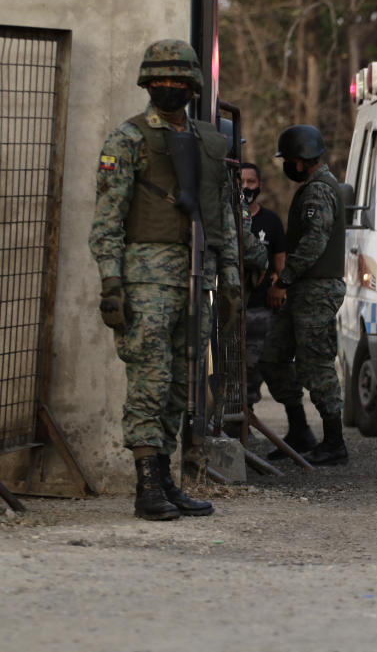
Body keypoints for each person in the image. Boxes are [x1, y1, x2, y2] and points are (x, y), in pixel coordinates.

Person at [89, 39, 239, 520]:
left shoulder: (209, 143)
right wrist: (112, 283)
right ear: (147, 84)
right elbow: (107, 221)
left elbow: (224, 217)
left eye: (178, 81)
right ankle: (147, 485)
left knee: (183, 384)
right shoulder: (127, 140)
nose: (169, 88)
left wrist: (231, 275)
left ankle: (168, 480)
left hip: (197, 278)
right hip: (146, 283)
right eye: (161, 81)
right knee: (149, 383)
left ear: (193, 86)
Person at [259, 124, 349, 466]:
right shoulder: (317, 187)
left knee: (316, 364)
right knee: (272, 357)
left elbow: (314, 242)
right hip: (303, 289)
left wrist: (283, 279)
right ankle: (299, 430)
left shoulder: (318, 192)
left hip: (316, 289)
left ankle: (335, 441)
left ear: (300, 161)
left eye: (289, 160)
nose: (287, 166)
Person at [238, 162, 286, 407]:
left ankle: (245, 423)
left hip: (260, 310)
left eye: (251, 182)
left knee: (254, 371)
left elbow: (281, 264)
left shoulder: (271, 221)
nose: (246, 187)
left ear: (260, 186)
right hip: (232, 308)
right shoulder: (228, 220)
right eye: (241, 181)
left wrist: (280, 287)